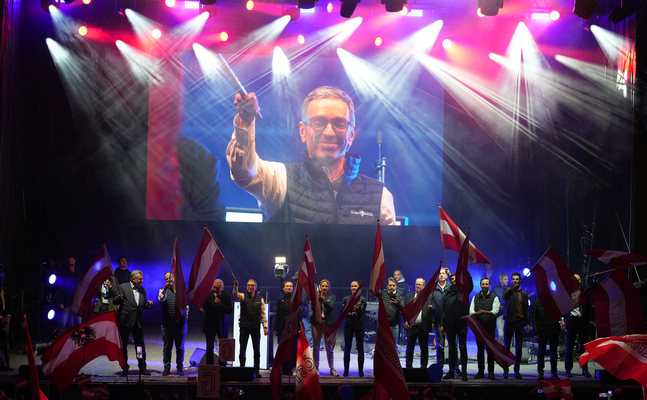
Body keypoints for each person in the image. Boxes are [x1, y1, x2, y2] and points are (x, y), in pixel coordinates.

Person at [226, 86, 396, 225]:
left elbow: (390, 258)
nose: (329, 132)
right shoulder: (280, 180)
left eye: (339, 123)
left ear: (351, 134)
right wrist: (245, 122)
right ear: (303, 131)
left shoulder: (380, 196)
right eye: (318, 122)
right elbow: (244, 171)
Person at [115, 270, 154, 375]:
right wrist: (119, 298)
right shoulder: (123, 287)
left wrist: (148, 305)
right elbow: (114, 300)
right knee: (123, 346)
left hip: (138, 322)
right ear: (133, 279)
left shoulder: (143, 290)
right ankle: (125, 368)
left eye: (142, 279)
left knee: (140, 346)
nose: (142, 281)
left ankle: (142, 366)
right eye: (140, 279)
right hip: (125, 321)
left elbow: (143, 305)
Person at [233, 279, 268, 379]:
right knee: (242, 349)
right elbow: (235, 294)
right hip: (244, 327)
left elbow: (263, 314)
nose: (250, 287)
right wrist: (235, 287)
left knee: (256, 350)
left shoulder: (260, 299)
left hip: (255, 327)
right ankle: (242, 369)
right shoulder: (243, 296)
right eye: (248, 285)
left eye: (252, 285)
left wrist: (265, 327)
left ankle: (256, 370)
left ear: (256, 287)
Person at [440, 274, 472, 381]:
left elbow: (470, 286)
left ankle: (464, 372)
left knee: (462, 348)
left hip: (461, 324)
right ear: (450, 280)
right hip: (449, 324)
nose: (454, 280)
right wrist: (443, 324)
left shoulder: (463, 291)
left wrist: (468, 275)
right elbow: (444, 310)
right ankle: (451, 371)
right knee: (451, 349)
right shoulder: (447, 293)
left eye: (456, 278)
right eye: (452, 278)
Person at [469, 277, 500, 380]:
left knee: (490, 350)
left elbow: (495, 312)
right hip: (479, 328)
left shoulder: (494, 297)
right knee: (480, 350)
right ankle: (480, 371)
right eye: (483, 284)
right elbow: (471, 312)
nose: (485, 286)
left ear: (489, 285)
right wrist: (478, 313)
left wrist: (484, 312)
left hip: (490, 328)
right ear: (480, 285)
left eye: (486, 284)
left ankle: (491, 372)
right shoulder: (475, 297)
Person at [561, 274, 592, 378]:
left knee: (584, 347)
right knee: (569, 346)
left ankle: (585, 370)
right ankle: (568, 369)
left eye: (578, 280)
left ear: (580, 281)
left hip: (582, 320)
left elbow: (594, 288)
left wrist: (595, 280)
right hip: (572, 320)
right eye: (574, 280)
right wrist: (562, 319)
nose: (576, 281)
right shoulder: (567, 292)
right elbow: (563, 306)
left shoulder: (585, 291)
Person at [159, 272, 188, 376]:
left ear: (174, 277)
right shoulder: (163, 291)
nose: (168, 280)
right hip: (167, 324)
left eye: (170, 277)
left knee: (180, 347)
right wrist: (165, 288)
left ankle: (180, 368)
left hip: (180, 324)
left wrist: (185, 317)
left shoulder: (181, 291)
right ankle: (167, 367)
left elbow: (186, 306)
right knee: (167, 347)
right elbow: (161, 298)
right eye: (166, 278)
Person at [502, 272, 530, 379]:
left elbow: (527, 309)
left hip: (520, 322)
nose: (515, 281)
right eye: (513, 279)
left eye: (517, 279)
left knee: (519, 347)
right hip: (509, 322)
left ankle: (516, 370)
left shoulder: (524, 293)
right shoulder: (508, 290)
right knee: (507, 347)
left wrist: (528, 323)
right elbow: (504, 297)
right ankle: (506, 370)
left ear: (520, 280)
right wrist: (511, 289)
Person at [200, 279, 233, 366]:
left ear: (221, 288)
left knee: (224, 347)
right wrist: (201, 309)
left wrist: (221, 305)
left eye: (217, 288)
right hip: (210, 324)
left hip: (221, 325)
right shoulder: (209, 295)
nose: (214, 289)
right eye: (213, 287)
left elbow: (230, 310)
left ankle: (223, 366)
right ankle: (209, 367)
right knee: (209, 346)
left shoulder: (226, 296)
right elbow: (203, 305)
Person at [404, 278, 434, 370]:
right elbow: (405, 310)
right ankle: (409, 367)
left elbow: (435, 310)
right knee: (409, 348)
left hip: (423, 326)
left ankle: (423, 367)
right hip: (412, 326)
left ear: (424, 286)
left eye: (420, 284)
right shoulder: (409, 296)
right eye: (416, 284)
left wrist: (431, 308)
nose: (418, 286)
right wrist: (405, 321)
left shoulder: (429, 296)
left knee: (424, 348)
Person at [311, 279, 339, 377]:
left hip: (328, 323)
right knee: (316, 346)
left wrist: (323, 301)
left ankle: (331, 368)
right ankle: (316, 368)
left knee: (329, 346)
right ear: (320, 287)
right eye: (322, 286)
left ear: (328, 287)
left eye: (326, 286)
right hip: (317, 323)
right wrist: (316, 300)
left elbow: (331, 307)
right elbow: (312, 308)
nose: (324, 288)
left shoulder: (332, 297)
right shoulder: (316, 296)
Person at [341, 281, 367, 377]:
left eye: (355, 286)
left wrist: (357, 310)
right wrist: (349, 314)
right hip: (348, 325)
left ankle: (361, 371)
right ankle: (346, 371)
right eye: (352, 286)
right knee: (347, 348)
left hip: (359, 326)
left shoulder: (363, 299)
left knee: (360, 348)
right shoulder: (346, 298)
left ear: (358, 287)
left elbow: (362, 312)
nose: (353, 288)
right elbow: (342, 311)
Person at [531, 297, 560, 380]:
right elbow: (534, 318)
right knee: (541, 352)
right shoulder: (536, 302)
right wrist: (536, 333)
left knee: (553, 352)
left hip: (553, 329)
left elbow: (559, 313)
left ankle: (554, 372)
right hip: (542, 330)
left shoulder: (554, 300)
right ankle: (540, 372)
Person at [432, 267, 454, 371]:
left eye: (443, 273)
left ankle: (454, 366)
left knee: (453, 345)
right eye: (439, 273)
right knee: (440, 345)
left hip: (450, 321)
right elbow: (431, 304)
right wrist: (432, 320)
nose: (441, 275)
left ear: (446, 275)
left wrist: (450, 275)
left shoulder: (451, 287)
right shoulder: (433, 289)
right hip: (438, 320)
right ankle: (439, 366)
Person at [274, 281, 296, 375]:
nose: (289, 287)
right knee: (283, 348)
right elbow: (278, 315)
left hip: (292, 327)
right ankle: (283, 368)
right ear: (283, 288)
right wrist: (276, 328)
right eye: (287, 286)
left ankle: (293, 367)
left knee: (292, 348)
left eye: (290, 286)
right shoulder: (280, 300)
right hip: (282, 327)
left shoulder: (295, 298)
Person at [58, 256, 83, 334]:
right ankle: (62, 341)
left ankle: (77, 340)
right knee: (63, 323)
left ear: (75, 261)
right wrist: (61, 302)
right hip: (67, 302)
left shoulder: (78, 273)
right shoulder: (64, 274)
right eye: (69, 262)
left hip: (76, 303)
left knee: (78, 324)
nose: (70, 263)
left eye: (72, 261)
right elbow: (60, 289)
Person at [378, 277, 405, 346]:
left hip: (394, 325)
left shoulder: (400, 296)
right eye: (390, 285)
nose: (391, 287)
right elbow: (373, 290)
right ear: (387, 285)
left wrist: (397, 303)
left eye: (393, 285)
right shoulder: (382, 294)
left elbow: (403, 307)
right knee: (383, 345)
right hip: (384, 325)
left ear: (396, 286)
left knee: (393, 345)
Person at [491, 273, 509, 345]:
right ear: (500, 280)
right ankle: (501, 349)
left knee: (507, 333)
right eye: (505, 279)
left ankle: (507, 349)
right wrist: (497, 304)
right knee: (501, 334)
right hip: (500, 313)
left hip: (508, 314)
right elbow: (492, 300)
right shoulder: (495, 289)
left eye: (507, 279)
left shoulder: (510, 289)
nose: (507, 281)